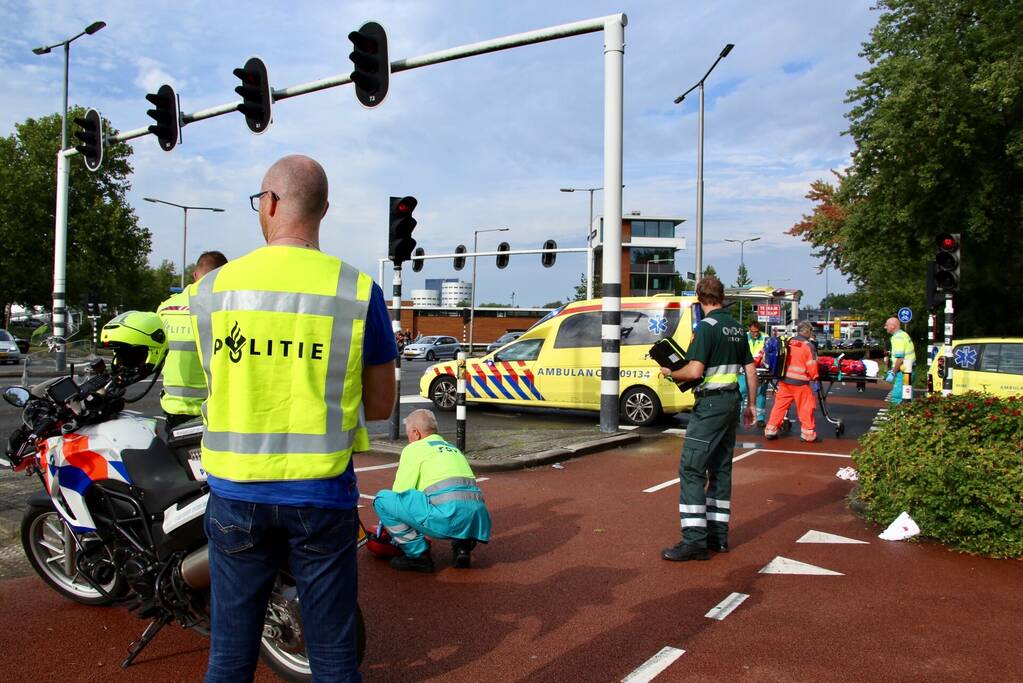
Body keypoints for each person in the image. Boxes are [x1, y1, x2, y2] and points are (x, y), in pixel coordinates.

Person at [190, 155, 397, 683]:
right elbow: (380, 406)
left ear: (271, 203)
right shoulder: (355, 290)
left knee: (230, 657)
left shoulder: (214, 289)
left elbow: (211, 385)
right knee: (331, 656)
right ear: (324, 209)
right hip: (319, 496)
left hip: (236, 491)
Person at [658, 276, 757, 561]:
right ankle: (718, 537)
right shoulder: (738, 329)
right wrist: (752, 406)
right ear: (722, 297)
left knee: (691, 468)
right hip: (732, 402)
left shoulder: (705, 327)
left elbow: (693, 372)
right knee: (721, 468)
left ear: (700, 301)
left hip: (710, 405)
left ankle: (694, 541)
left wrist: (669, 372)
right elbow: (750, 372)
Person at [373, 408, 492, 572]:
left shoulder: (414, 449)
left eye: (408, 434)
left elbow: (400, 493)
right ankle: (462, 548)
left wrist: (387, 526)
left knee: (382, 500)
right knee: (459, 501)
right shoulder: (454, 449)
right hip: (476, 519)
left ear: (416, 433)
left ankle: (418, 555)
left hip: (446, 519)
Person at [156, 251, 228, 430]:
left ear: (195, 275)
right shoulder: (224, 309)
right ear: (224, 276)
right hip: (210, 410)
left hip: (172, 407)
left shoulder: (165, 308)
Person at [764, 321, 821, 443]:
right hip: (800, 383)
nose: (811, 333)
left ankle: (770, 430)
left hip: (784, 381)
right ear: (807, 331)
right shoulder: (808, 346)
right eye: (811, 331)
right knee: (806, 408)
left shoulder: (788, 342)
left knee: (779, 407)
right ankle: (808, 434)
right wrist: (815, 378)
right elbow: (812, 365)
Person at [737, 320, 769, 427]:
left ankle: (760, 418)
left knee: (760, 394)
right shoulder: (744, 337)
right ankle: (737, 417)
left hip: (761, 370)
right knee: (741, 391)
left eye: (756, 332)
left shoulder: (765, 338)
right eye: (752, 331)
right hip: (745, 369)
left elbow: (768, 352)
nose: (755, 334)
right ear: (749, 330)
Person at [884, 317, 916, 405]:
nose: (885, 327)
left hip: (903, 372)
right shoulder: (904, 334)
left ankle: (897, 417)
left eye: (887, 325)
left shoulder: (897, 338)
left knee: (897, 397)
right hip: (909, 370)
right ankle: (907, 416)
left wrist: (893, 372)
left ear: (893, 326)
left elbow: (900, 358)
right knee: (907, 396)